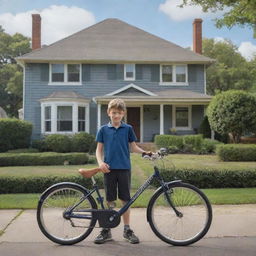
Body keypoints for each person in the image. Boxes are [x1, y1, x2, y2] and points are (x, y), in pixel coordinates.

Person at [94, 98, 148, 244]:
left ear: (123, 113)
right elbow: (98, 151)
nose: (116, 115)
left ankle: (127, 229)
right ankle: (106, 230)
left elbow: (134, 147)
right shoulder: (103, 130)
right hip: (109, 170)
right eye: (113, 113)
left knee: (125, 200)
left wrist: (145, 153)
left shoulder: (128, 129)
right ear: (108, 113)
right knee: (110, 199)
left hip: (124, 169)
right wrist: (100, 163)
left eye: (119, 113)